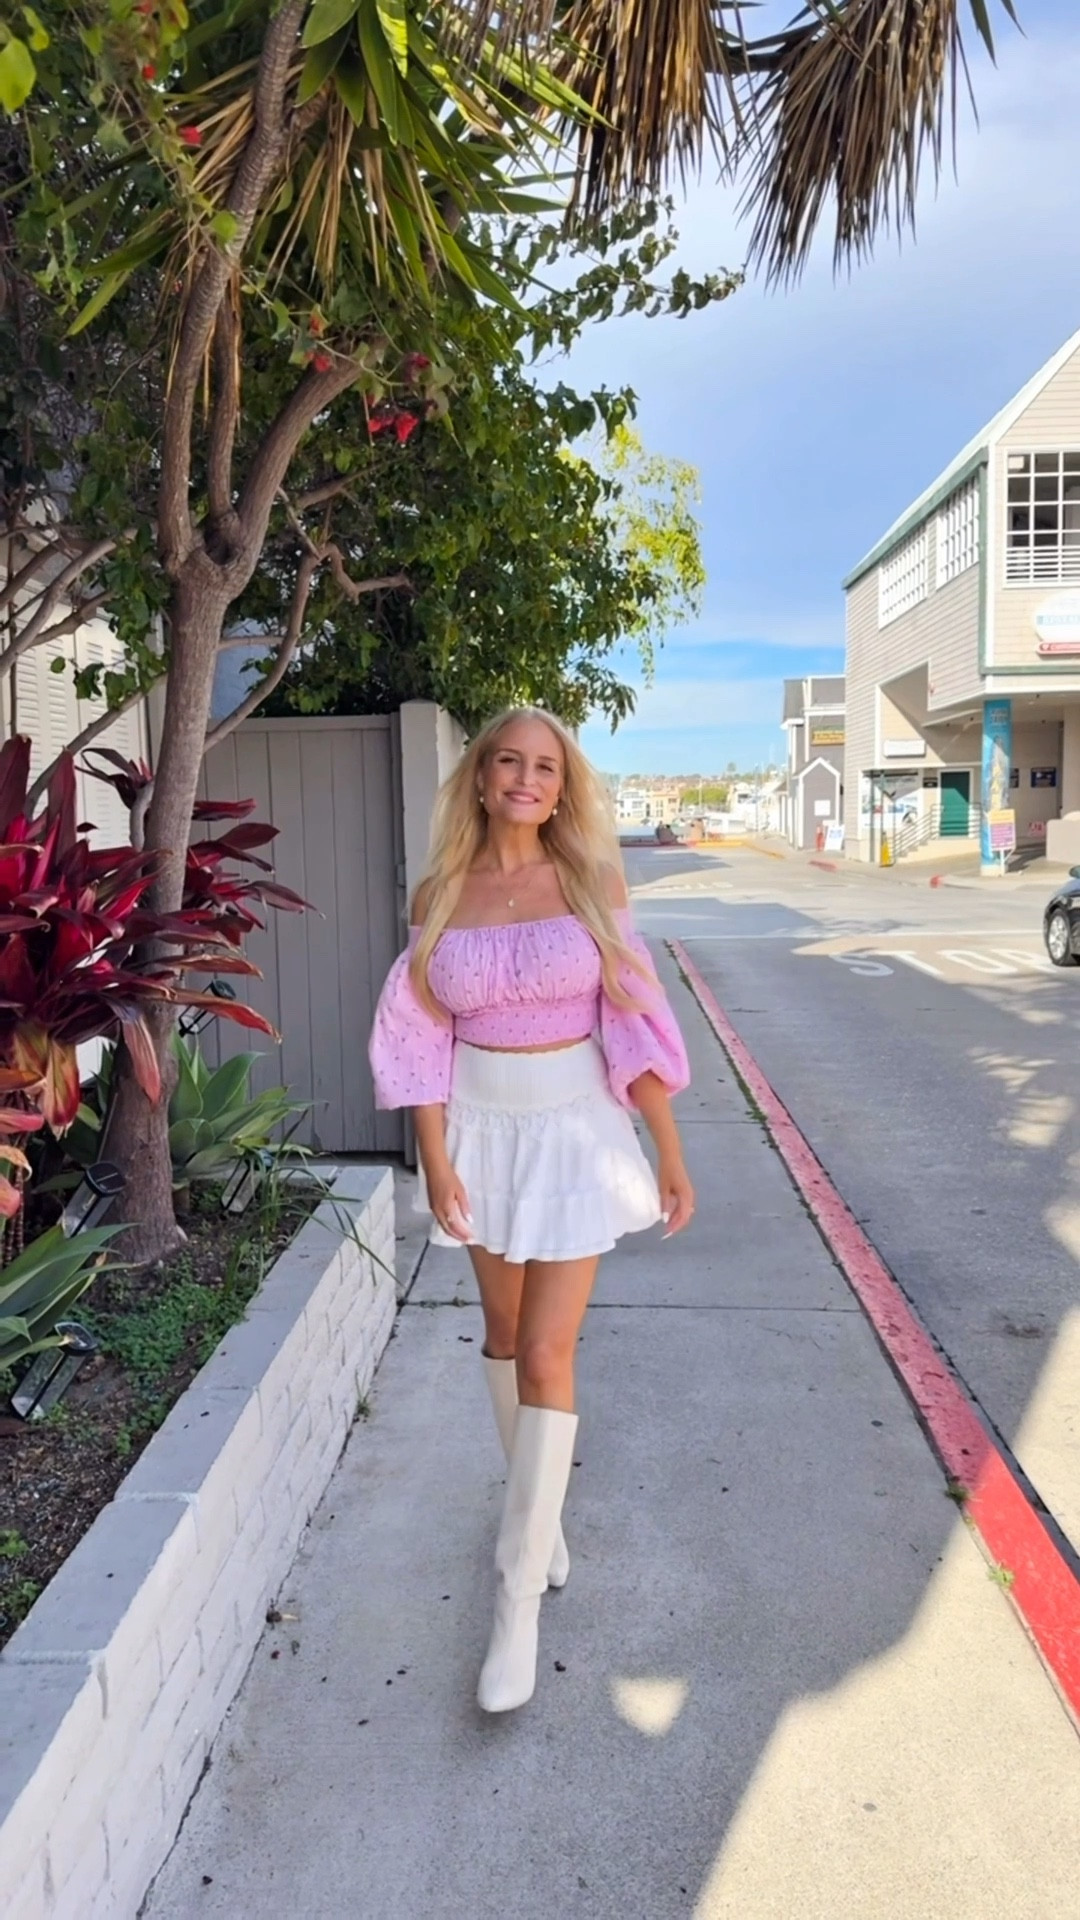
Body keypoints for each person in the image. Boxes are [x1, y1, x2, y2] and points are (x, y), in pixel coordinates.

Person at [368, 706, 693, 1714]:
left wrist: (670, 1153)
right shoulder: (438, 895)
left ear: (563, 785)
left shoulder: (594, 882)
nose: (525, 777)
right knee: (503, 1335)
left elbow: (631, 1018)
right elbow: (418, 1039)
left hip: (574, 1129)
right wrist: (433, 1158)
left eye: (544, 765)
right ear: (479, 777)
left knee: (551, 1352)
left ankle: (516, 1605)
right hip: (480, 1130)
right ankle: (541, 1525)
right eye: (507, 760)